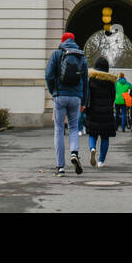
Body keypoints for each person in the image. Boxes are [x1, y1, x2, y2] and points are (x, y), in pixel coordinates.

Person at [45, 31, 90, 176]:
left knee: (59, 129)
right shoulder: (81, 56)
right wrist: (84, 101)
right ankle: (74, 152)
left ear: (62, 41)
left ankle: (60, 167)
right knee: (73, 127)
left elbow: (49, 75)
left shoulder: (57, 54)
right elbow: (85, 81)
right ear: (74, 41)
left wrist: (53, 91)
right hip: (76, 97)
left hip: (60, 96)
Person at [84, 56, 118, 167]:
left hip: (93, 111)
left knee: (92, 134)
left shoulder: (92, 80)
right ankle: (101, 161)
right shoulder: (111, 82)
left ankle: (92, 148)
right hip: (106, 112)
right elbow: (113, 97)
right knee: (105, 136)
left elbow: (88, 96)